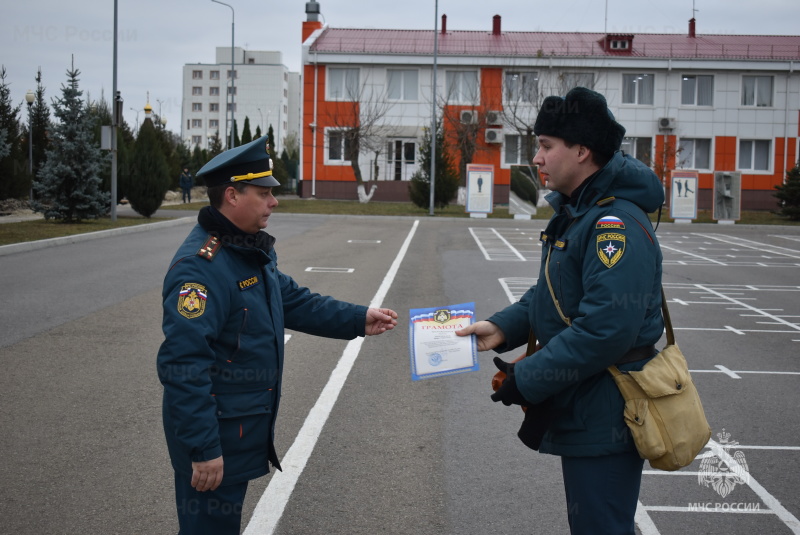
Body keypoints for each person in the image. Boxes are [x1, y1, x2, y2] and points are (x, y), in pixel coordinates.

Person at [156, 135, 398, 534]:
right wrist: (203, 450)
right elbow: (183, 365)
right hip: (215, 441)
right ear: (232, 195)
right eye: (265, 192)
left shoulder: (246, 250)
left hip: (235, 435)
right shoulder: (200, 270)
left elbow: (294, 301)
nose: (275, 201)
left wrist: (359, 319)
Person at [456, 87, 664, 534]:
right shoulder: (580, 212)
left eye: (547, 146)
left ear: (583, 150)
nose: (537, 158)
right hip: (588, 401)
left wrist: (526, 379)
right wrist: (500, 327)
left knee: (601, 527)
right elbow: (552, 292)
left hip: (608, 405)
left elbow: (605, 330)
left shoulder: (613, 225)